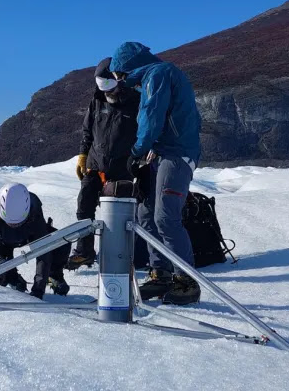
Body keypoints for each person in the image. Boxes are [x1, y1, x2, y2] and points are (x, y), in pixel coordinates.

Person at [109, 42, 202, 305]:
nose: (120, 82)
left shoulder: (158, 74)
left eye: (119, 75)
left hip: (176, 154)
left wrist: (138, 149)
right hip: (163, 153)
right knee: (145, 213)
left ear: (125, 68)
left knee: (165, 216)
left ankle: (186, 281)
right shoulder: (158, 75)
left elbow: (152, 116)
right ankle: (160, 272)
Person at [66, 57, 141, 270]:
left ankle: (123, 254)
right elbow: (87, 131)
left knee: (120, 215)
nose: (109, 96)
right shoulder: (97, 100)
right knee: (84, 208)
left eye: (111, 91)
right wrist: (82, 155)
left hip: (122, 168)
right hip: (96, 165)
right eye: (105, 91)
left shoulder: (135, 102)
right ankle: (84, 251)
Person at [0, 183, 71, 299]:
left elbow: (44, 250)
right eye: (10, 223)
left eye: (18, 223)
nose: (14, 226)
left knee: (60, 243)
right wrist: (4, 267)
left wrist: (38, 290)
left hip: (28, 233)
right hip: (1, 241)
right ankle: (12, 279)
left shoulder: (34, 209)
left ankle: (51, 277)